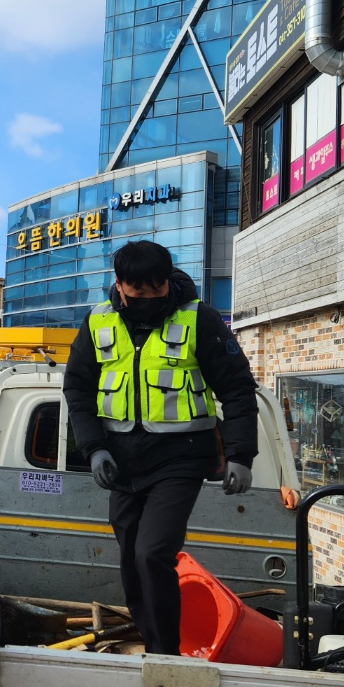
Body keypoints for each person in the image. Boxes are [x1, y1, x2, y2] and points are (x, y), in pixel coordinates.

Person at [62, 240, 258, 656]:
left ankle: (166, 658)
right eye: (138, 293)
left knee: (152, 553)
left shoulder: (199, 320)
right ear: (119, 285)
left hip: (180, 458)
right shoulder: (97, 323)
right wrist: (94, 448)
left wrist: (241, 455)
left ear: (167, 282)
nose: (148, 299)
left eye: (157, 290)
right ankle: (154, 646)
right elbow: (77, 388)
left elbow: (238, 388)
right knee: (133, 561)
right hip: (122, 461)